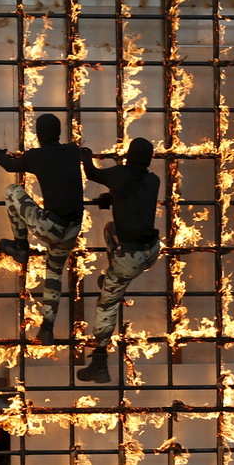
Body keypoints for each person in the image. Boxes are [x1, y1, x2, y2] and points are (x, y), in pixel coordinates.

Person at [0, 114, 83, 346]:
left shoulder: (36, 156)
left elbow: (11, 166)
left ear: (38, 134)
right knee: (54, 275)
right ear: (59, 132)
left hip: (52, 226)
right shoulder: (72, 151)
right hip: (73, 228)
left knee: (12, 191)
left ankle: (20, 245)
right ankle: (47, 328)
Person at [77, 137, 160, 383]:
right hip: (151, 251)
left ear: (129, 156)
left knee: (106, 305)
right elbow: (135, 196)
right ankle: (115, 275)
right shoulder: (153, 180)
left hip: (130, 257)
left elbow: (92, 174)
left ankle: (100, 361)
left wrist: (85, 156)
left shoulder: (119, 174)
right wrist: (112, 198)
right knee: (110, 228)